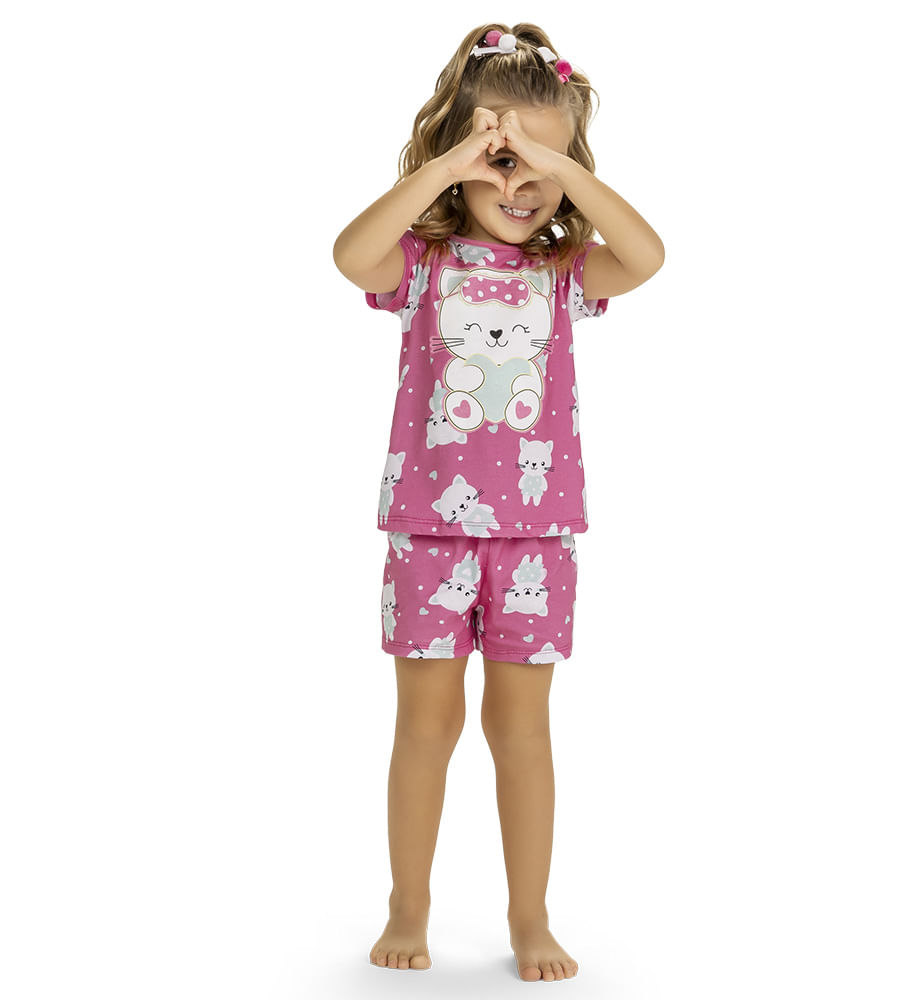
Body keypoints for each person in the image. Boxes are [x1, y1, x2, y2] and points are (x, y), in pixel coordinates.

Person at [333, 22, 663, 983]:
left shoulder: (566, 275)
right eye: (500, 165)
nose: (519, 188)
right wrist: (450, 164)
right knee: (425, 728)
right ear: (460, 158)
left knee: (522, 734)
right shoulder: (422, 267)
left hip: (538, 537)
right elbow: (351, 255)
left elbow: (646, 256)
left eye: (539, 170)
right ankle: (408, 902)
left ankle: (530, 916)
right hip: (427, 531)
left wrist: (557, 163)